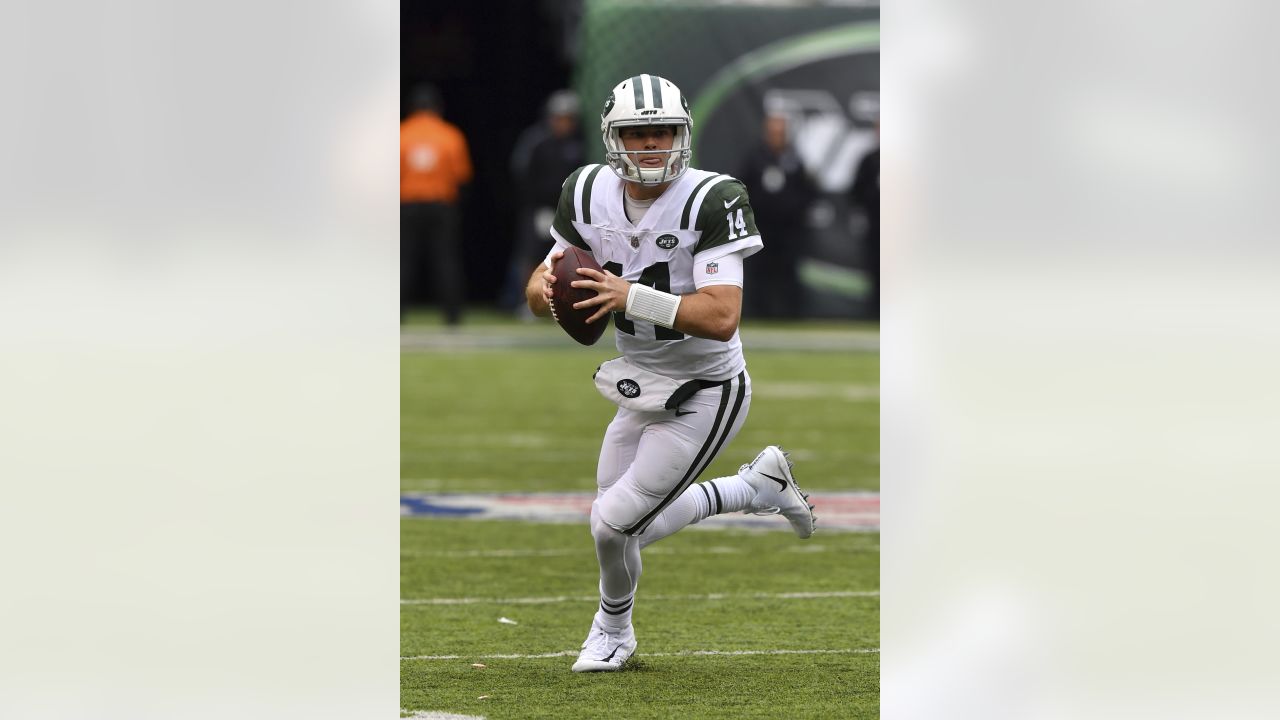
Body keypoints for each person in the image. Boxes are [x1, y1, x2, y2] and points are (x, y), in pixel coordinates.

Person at [523, 74, 818, 673]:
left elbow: (721, 316)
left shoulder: (714, 197)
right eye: (637, 133)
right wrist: (550, 293)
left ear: (683, 134)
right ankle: (756, 488)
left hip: (707, 389)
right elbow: (539, 283)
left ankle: (612, 630)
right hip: (641, 382)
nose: (651, 145)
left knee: (612, 525)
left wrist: (629, 297)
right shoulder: (584, 193)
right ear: (613, 137)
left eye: (663, 132)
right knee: (619, 521)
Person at [501, 90, 586, 312]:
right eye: (559, 118)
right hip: (537, 209)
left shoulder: (577, 145)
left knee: (570, 257)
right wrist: (536, 206)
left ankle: (568, 302)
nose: (563, 124)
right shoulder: (536, 141)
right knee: (529, 255)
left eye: (568, 119)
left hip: (567, 211)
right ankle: (524, 302)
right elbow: (521, 174)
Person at [400, 83, 472, 325]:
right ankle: (452, 315)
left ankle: (397, 313)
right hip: (441, 206)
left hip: (407, 204)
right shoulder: (450, 135)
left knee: (404, 260)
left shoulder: (401, 134)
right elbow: (462, 177)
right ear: (437, 108)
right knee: (445, 260)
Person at [737, 112, 815, 318]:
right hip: (761, 227)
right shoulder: (755, 158)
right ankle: (759, 314)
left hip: (789, 230)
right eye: (773, 133)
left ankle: (791, 315)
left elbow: (808, 191)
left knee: (789, 272)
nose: (776, 137)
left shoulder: (795, 160)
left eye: (780, 133)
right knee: (760, 272)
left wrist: (794, 211)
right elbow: (742, 189)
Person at [851, 121, 879, 320]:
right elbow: (857, 192)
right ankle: (876, 312)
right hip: (877, 227)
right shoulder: (869, 160)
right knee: (876, 271)